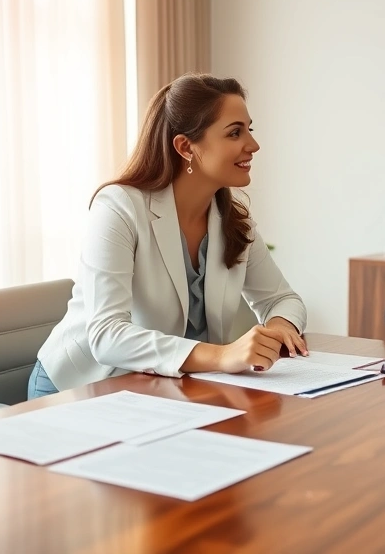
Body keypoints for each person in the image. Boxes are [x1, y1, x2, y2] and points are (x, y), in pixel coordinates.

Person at [28, 74, 308, 399]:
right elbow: (107, 334)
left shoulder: (233, 218)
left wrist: (278, 332)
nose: (253, 145)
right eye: (235, 132)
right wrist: (223, 355)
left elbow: (281, 299)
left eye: (250, 129)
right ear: (185, 146)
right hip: (81, 387)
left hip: (161, 389)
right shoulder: (119, 207)